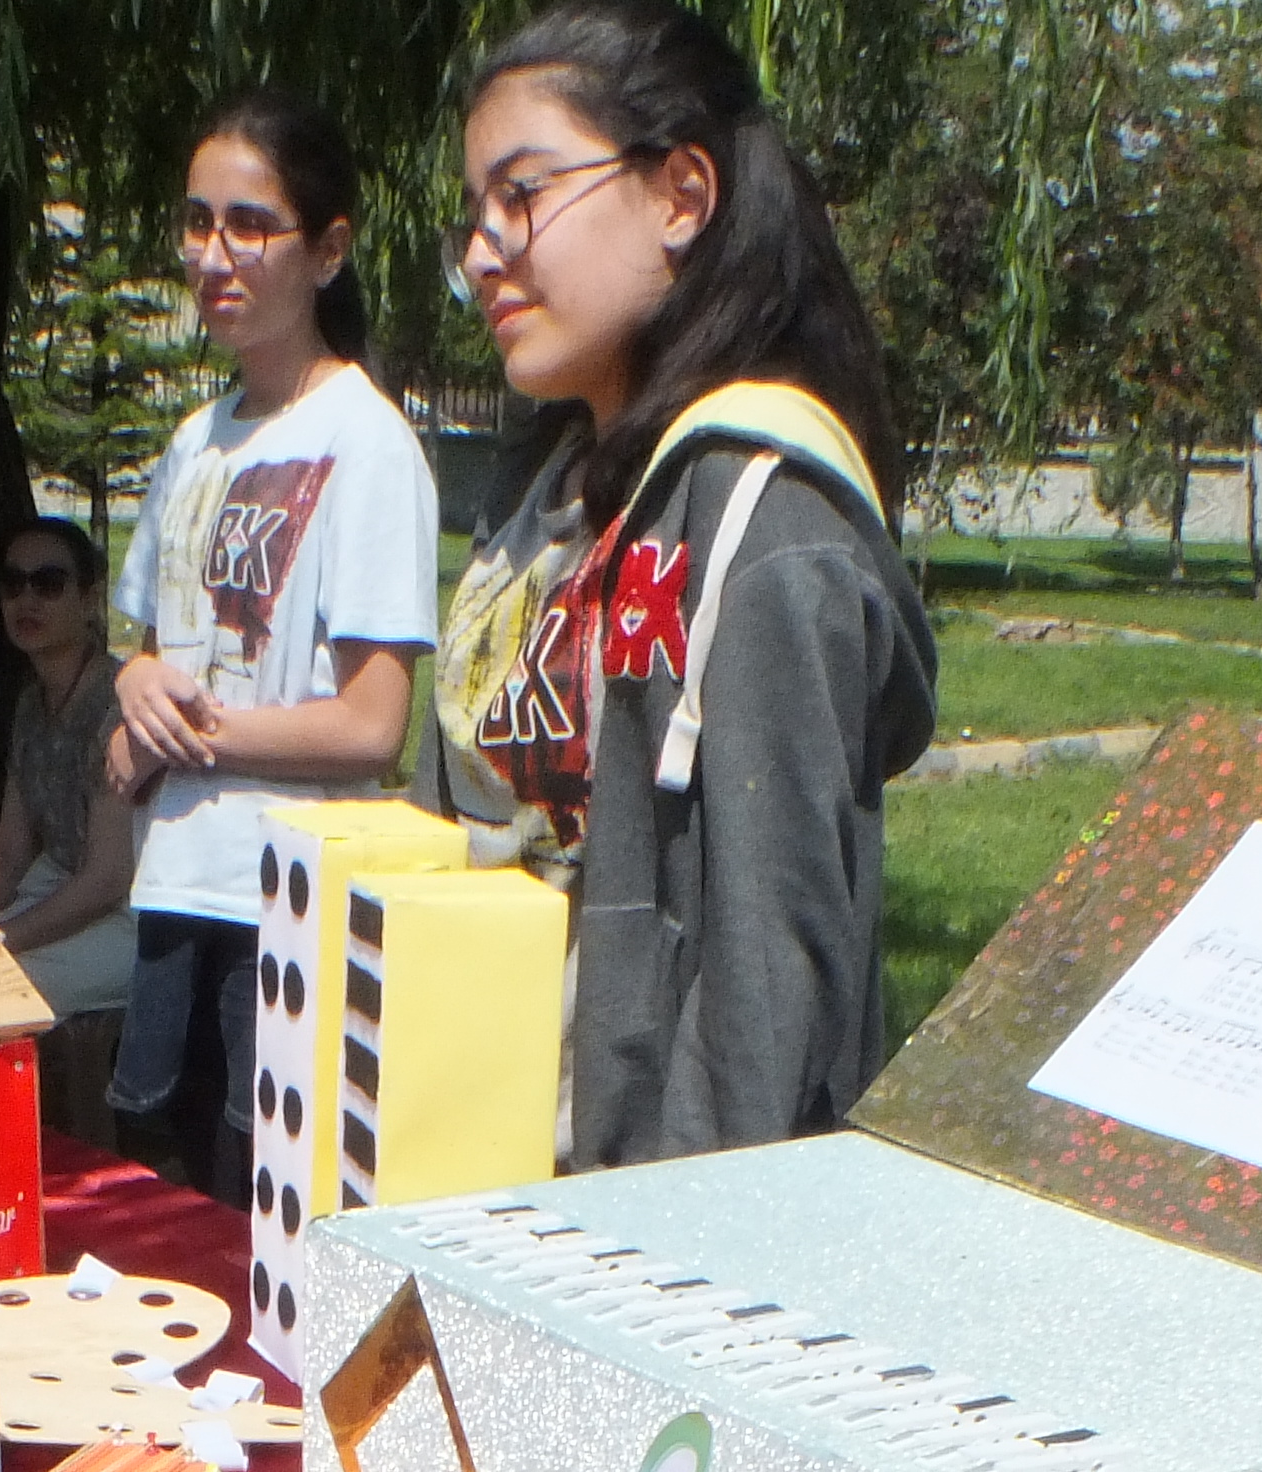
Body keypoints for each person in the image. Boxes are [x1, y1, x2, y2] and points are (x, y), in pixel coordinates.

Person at [421, 2, 936, 1168]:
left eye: (524, 194)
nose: (481, 252)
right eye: (474, 212)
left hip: (626, 1228)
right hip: (461, 1170)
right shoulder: (547, 491)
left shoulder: (763, 518)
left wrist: (663, 1277)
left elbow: (765, 993)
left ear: (681, 196)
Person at [108, 89, 440, 1198]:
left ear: (329, 248)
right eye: (197, 221)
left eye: (250, 225)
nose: (215, 255)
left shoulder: (369, 445)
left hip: (282, 907)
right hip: (174, 884)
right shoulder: (193, 442)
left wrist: (186, 735)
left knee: (257, 1203)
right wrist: (138, 686)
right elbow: (150, 654)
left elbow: (370, 725)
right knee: (154, 1191)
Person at [0, 515, 137, 1021]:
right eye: (12, 584)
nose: (26, 600)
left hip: (133, 910)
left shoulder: (116, 705)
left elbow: (109, 877)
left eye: (48, 583)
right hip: (58, 880)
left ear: (89, 597)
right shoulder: (30, 703)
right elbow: (10, 852)